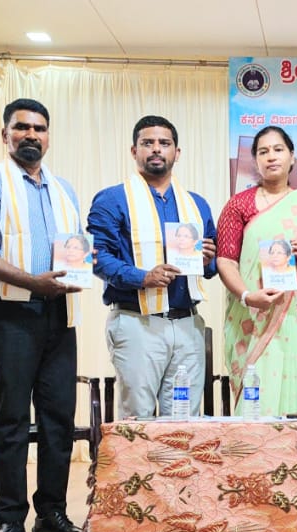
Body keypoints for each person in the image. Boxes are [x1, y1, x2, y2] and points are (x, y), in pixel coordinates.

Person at [0, 98, 88, 532]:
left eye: (39, 129)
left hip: (60, 313)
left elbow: (75, 246)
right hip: (11, 311)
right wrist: (31, 282)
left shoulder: (64, 188)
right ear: (5, 134)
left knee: (58, 418)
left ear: (48, 137)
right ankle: (10, 518)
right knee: (11, 417)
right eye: (22, 127)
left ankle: (51, 514)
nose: (31, 135)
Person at [89, 115, 217, 419]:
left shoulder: (196, 204)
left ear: (177, 152)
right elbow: (98, 257)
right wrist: (143, 277)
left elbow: (210, 266)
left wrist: (207, 261)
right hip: (137, 323)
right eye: (148, 143)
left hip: (187, 323)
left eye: (164, 143)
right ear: (134, 151)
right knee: (138, 419)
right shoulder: (112, 199)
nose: (156, 149)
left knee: (184, 420)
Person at [216, 126, 297, 416]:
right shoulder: (239, 205)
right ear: (255, 161)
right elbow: (226, 261)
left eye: (278, 149)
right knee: (255, 391)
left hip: (296, 314)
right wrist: (248, 296)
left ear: (291, 157)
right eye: (263, 151)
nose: (271, 156)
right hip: (251, 315)